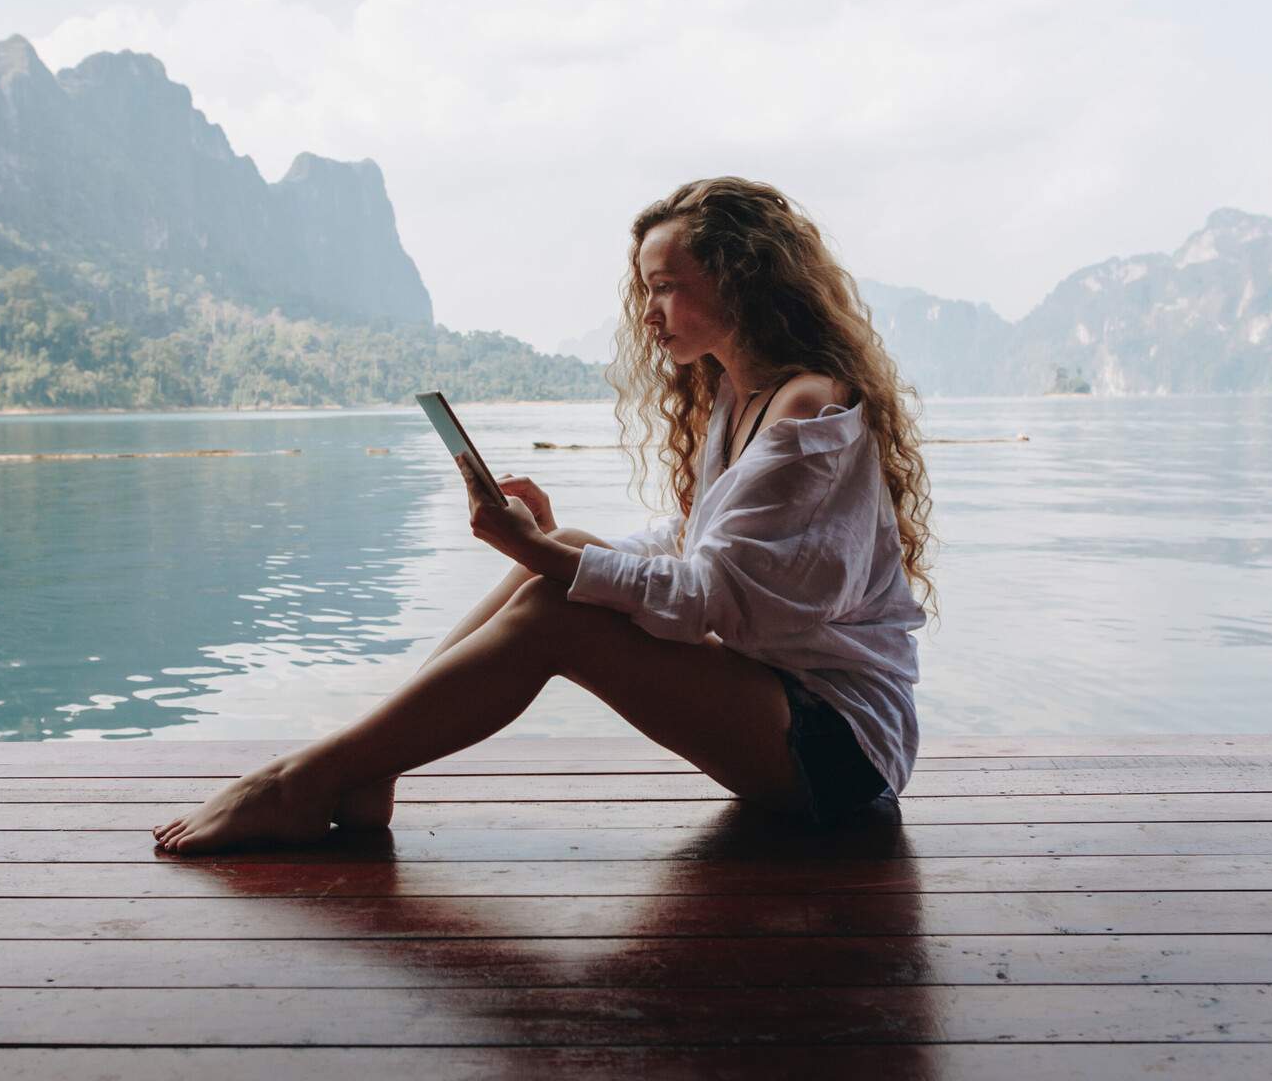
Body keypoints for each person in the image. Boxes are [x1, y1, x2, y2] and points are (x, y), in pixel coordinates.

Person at [153, 176, 936, 853]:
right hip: (779, 708)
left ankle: (301, 783)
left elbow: (716, 597)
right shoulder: (744, 398)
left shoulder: (806, 408)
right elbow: (694, 543)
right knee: (562, 556)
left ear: (738, 281)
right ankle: (366, 768)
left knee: (557, 608)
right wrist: (549, 543)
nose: (651, 311)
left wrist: (550, 562)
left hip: (839, 752)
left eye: (667, 285)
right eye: (647, 289)